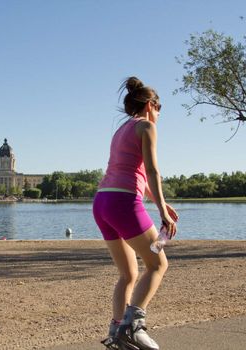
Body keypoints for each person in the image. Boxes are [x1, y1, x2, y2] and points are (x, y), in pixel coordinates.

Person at [93, 76, 178, 350]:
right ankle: (133, 327)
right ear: (150, 105)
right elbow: (152, 171)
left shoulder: (121, 130)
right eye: (160, 106)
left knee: (128, 274)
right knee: (157, 264)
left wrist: (159, 201)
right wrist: (162, 211)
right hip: (123, 204)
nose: (160, 112)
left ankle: (117, 331)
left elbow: (135, 173)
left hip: (103, 203)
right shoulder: (146, 127)